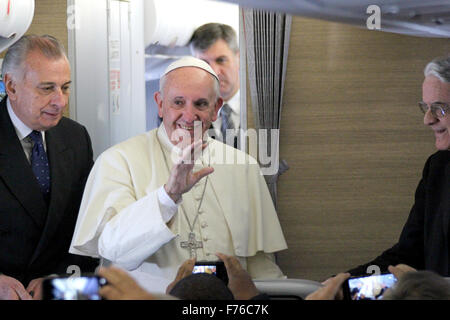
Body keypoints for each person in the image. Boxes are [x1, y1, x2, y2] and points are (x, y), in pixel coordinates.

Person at [69, 56, 287, 294]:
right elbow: (112, 250)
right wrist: (168, 196)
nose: (189, 115)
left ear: (216, 109)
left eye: (201, 104)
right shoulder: (117, 161)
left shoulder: (243, 166)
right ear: (160, 104)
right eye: (178, 102)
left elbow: (261, 265)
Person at [0, 35, 98, 300]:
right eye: (46, 88)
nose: (60, 101)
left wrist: (61, 281)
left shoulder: (76, 138)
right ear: (11, 85)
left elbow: (87, 227)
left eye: (65, 87)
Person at [347, 55, 450, 277]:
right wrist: (344, 284)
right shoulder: (437, 168)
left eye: (440, 108)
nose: (428, 119)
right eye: (426, 107)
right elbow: (409, 255)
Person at [189, 23, 240, 147]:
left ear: (239, 58)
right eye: (204, 63)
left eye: (221, 60)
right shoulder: (186, 116)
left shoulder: (264, 108)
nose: (214, 72)